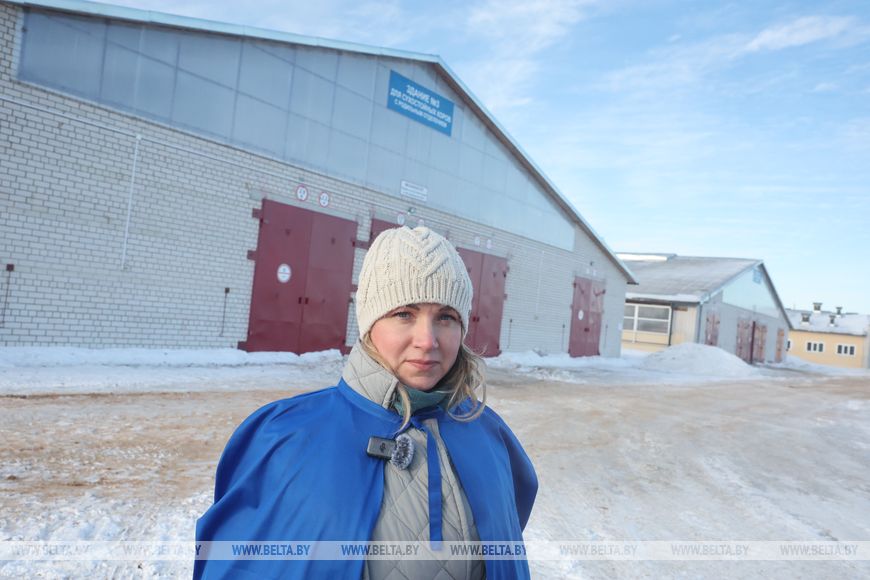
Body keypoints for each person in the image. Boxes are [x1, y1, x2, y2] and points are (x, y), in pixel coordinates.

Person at [194, 226, 537, 579]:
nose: (427, 340)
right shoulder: (285, 437)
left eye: (446, 317)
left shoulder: (487, 432)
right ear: (370, 323)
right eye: (404, 314)